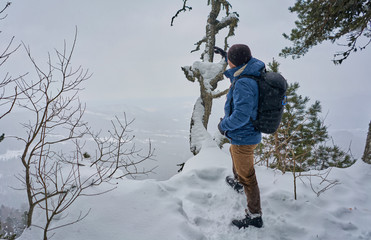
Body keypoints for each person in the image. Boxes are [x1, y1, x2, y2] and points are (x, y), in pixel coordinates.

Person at [215, 44, 264, 229]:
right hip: (245, 135)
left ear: (234, 63)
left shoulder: (244, 82)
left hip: (245, 136)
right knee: (233, 150)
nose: (228, 63)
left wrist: (223, 126)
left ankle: (255, 215)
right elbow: (240, 61)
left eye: (229, 61)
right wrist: (226, 54)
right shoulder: (250, 69)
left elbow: (241, 116)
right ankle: (237, 182)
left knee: (249, 177)